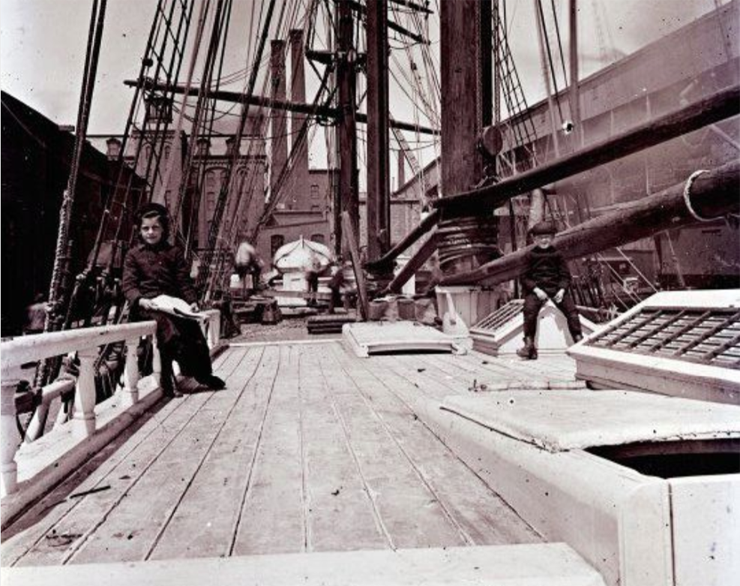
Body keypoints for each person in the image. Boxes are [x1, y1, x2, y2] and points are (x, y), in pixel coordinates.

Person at [123, 203, 225, 396]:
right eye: (146, 228)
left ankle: (202, 375)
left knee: (194, 331)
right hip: (148, 305)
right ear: (140, 230)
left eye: (155, 228)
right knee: (168, 329)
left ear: (164, 229)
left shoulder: (174, 253)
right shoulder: (133, 256)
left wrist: (192, 301)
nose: (151, 232)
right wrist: (140, 300)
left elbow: (183, 282)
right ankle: (167, 379)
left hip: (171, 304)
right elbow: (128, 285)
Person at [517, 221, 583, 360]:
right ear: (534, 239)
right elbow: (524, 277)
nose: (544, 240)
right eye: (540, 238)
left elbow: (565, 276)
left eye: (547, 237)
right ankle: (529, 346)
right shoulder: (529, 256)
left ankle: (579, 341)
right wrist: (536, 290)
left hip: (556, 289)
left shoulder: (558, 255)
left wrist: (562, 290)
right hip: (537, 290)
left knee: (572, 313)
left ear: (552, 238)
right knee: (529, 312)